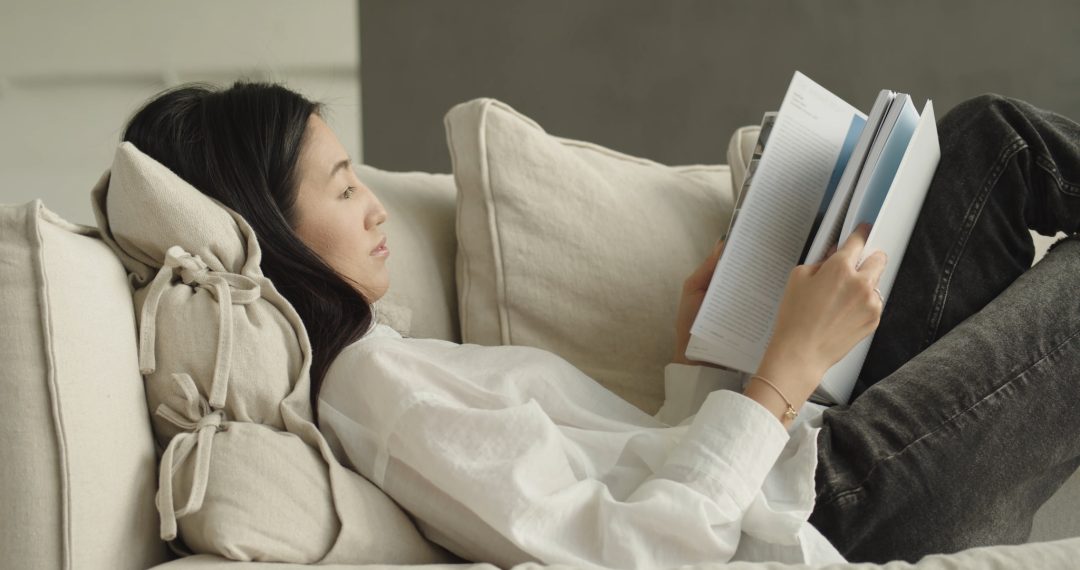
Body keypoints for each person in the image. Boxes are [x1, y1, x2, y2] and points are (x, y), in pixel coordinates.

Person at [120, 81, 1080, 566]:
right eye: (337, 188)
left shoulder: (397, 360)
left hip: (790, 473)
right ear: (267, 229)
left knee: (995, 143)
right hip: (824, 511)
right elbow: (640, 558)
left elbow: (629, 486)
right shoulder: (380, 396)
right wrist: (778, 375)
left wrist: (696, 363)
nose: (373, 208)